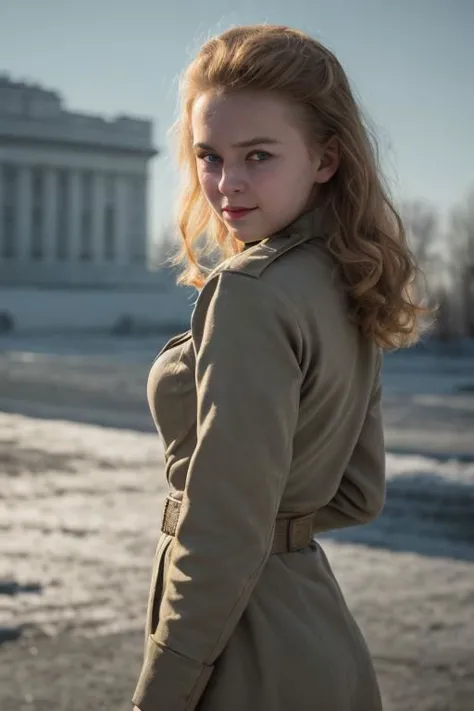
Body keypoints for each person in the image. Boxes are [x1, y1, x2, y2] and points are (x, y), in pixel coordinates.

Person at [132, 24, 426, 711]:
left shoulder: (250, 293)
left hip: (244, 654)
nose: (226, 184)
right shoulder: (345, 277)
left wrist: (161, 693)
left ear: (326, 158)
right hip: (318, 634)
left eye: (258, 155)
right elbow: (359, 493)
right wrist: (279, 524)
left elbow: (223, 531)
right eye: (209, 156)